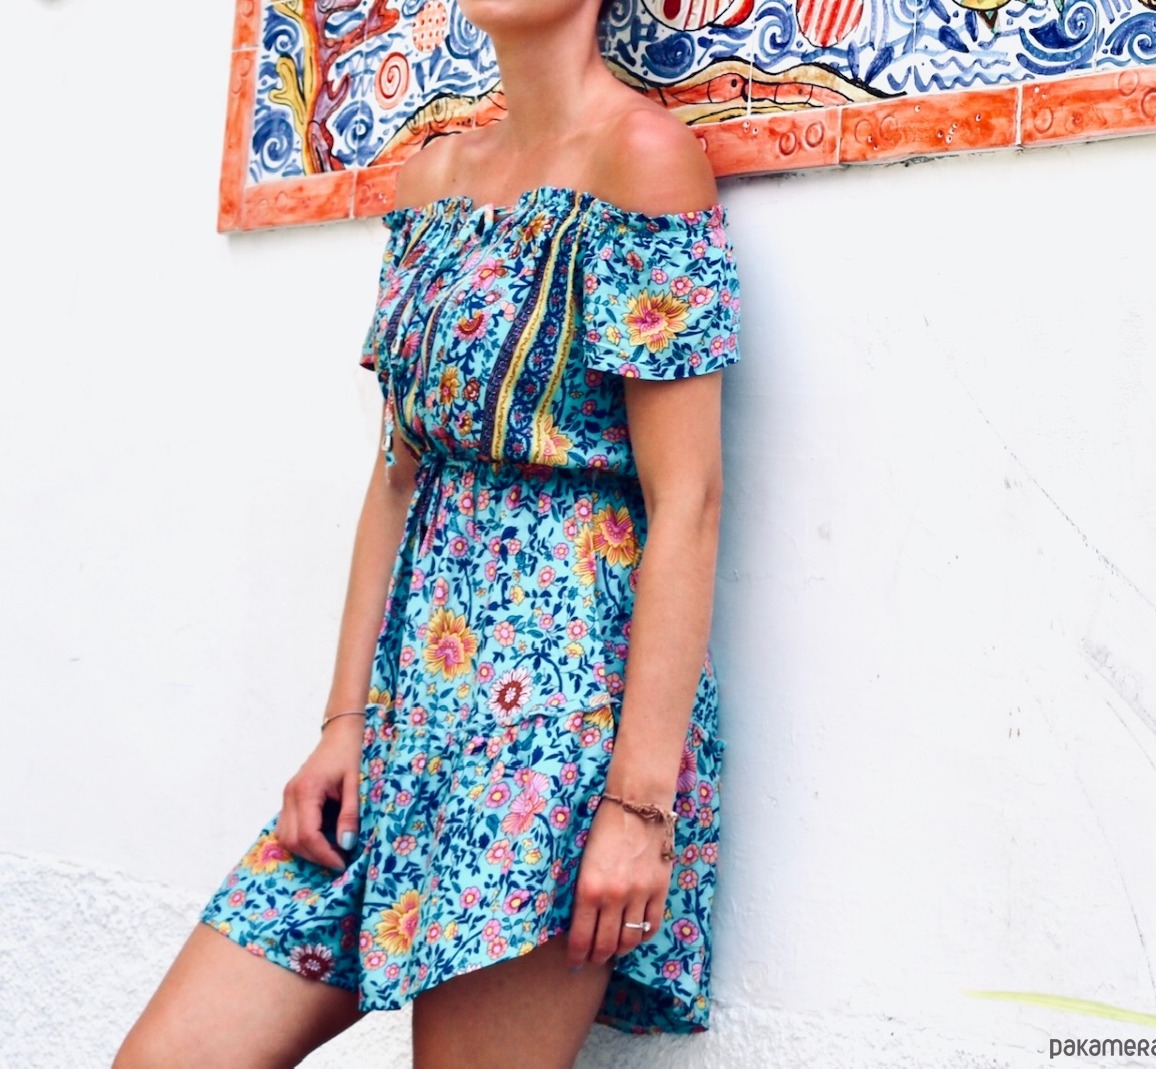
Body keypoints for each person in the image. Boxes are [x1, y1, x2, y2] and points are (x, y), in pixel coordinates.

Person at [115, 0, 741, 1065]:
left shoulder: (641, 159)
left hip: (555, 729)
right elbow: (397, 472)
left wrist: (638, 807)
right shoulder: (434, 178)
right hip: (406, 714)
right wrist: (343, 719)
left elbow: (689, 501)